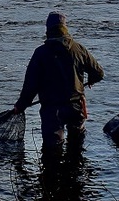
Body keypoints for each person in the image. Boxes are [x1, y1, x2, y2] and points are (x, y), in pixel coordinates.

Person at [13, 11, 104, 150]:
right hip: (76, 107)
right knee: (77, 149)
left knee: (52, 152)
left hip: (52, 110)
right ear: (65, 27)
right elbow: (98, 73)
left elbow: (31, 85)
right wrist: (91, 80)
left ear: (48, 29)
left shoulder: (40, 53)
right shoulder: (78, 49)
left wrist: (21, 105)